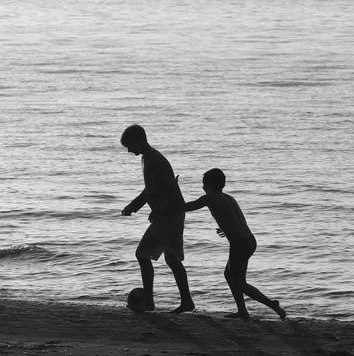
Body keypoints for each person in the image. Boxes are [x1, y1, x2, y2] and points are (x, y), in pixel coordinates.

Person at [181, 168, 285, 320]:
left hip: (240, 244)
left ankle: (272, 305)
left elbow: (185, 207)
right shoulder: (228, 197)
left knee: (240, 282)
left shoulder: (210, 198)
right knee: (230, 275)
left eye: (204, 184)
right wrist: (226, 229)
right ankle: (242, 310)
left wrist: (172, 191)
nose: (202, 187)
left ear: (210, 184)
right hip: (248, 240)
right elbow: (237, 219)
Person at [120, 124, 194, 313]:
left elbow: (168, 187)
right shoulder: (148, 158)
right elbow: (151, 190)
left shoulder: (154, 160)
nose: (129, 151)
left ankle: (148, 301)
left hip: (169, 215)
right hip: (171, 213)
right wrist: (134, 206)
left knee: (142, 255)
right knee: (172, 258)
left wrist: (159, 210)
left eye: (130, 146)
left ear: (140, 140)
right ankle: (187, 301)